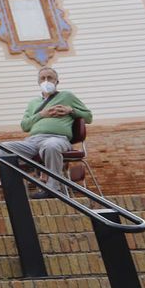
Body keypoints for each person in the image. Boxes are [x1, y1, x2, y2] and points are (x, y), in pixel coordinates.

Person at [12, 66, 92, 197]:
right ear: (38, 82)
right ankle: (15, 191)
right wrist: (41, 115)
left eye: (50, 78)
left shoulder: (67, 96)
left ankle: (53, 189)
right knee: (3, 149)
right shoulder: (33, 103)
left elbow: (89, 117)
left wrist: (71, 111)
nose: (46, 81)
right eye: (43, 78)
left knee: (51, 146)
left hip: (57, 139)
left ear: (57, 82)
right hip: (33, 141)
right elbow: (25, 126)